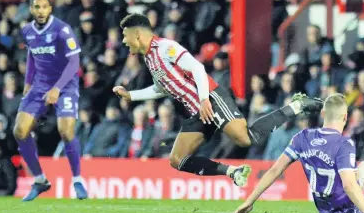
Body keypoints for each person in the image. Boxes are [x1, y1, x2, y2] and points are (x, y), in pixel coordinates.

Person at [113, 13, 323, 187]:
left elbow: (197, 67)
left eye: (125, 35)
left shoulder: (165, 47)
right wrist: (132, 95)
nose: (123, 41)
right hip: (197, 111)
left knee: (245, 139)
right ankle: (233, 171)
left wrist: (205, 99)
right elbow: (162, 88)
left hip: (211, 99)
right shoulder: (149, 58)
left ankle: (296, 105)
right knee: (177, 160)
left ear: (137, 33)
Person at [233, 93, 364, 213]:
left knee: (363, 169)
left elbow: (275, 170)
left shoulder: (302, 137)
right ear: (345, 117)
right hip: (347, 209)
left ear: (324, 114)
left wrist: (250, 200)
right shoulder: (344, 143)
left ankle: (363, 181)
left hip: (324, 208)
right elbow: (349, 186)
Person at [13, 0, 88, 201]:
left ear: (50, 9)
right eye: (37, 7)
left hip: (65, 85)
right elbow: (31, 56)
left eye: (45, 7)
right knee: (20, 131)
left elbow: (74, 63)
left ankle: (78, 180)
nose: (41, 11)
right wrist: (28, 83)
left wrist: (57, 88)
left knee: (65, 130)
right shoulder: (27, 31)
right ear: (31, 9)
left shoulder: (62, 30)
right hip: (39, 86)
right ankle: (39, 180)